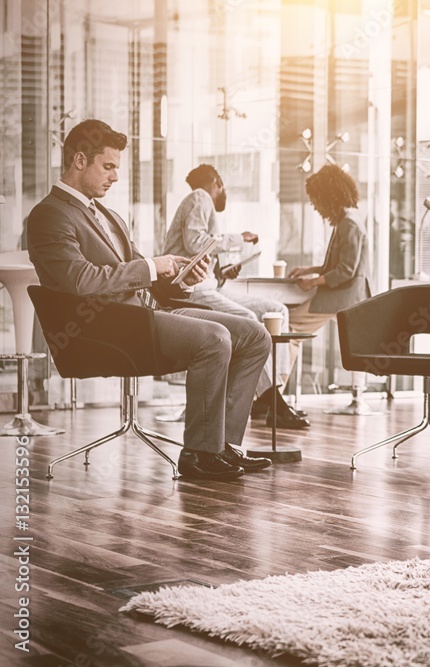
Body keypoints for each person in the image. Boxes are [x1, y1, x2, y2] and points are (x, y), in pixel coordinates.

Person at [26, 119, 273, 481]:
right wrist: (151, 267)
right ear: (79, 161)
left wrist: (182, 276)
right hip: (106, 329)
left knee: (254, 334)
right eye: (108, 166)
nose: (115, 177)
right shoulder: (49, 215)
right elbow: (81, 280)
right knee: (215, 337)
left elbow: (149, 278)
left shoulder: (108, 216)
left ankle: (224, 447)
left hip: (148, 313)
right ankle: (200, 455)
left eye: (116, 168)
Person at [162, 164, 309, 430]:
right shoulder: (200, 196)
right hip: (191, 292)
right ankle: (273, 402)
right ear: (216, 182)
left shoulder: (198, 202)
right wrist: (240, 239)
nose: (223, 192)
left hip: (210, 287)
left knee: (276, 310)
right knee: (249, 319)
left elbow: (197, 252)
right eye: (223, 186)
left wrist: (223, 272)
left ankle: (270, 395)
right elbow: (196, 241)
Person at [286, 163, 371, 370]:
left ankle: (273, 389)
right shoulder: (347, 220)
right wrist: (309, 270)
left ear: (328, 198)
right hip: (350, 295)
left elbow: (345, 271)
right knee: (358, 347)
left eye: (316, 201)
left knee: (290, 328)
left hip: (342, 297)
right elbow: (340, 264)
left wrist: (312, 282)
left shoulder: (348, 224)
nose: (315, 207)